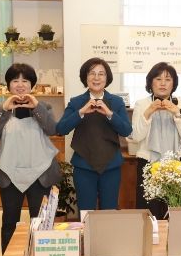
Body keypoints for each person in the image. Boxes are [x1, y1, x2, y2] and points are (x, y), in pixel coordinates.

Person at [0, 63, 61, 254]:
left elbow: (52, 129)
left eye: (25, 81)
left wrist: (36, 106)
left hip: (41, 175)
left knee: (41, 222)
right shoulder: (0, 107)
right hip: (9, 175)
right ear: (8, 85)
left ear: (32, 85)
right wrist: (5, 109)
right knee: (9, 221)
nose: (20, 85)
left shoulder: (44, 107)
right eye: (15, 80)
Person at [56, 58, 131, 212]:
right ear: (85, 77)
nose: (96, 78)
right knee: (85, 212)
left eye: (101, 74)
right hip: (83, 166)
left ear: (107, 78)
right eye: (92, 73)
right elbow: (61, 129)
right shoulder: (76, 102)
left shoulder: (116, 102)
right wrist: (81, 112)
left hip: (111, 166)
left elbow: (126, 131)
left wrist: (109, 113)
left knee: (109, 212)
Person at [129, 62, 181, 219]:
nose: (163, 83)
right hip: (148, 163)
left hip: (175, 164)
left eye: (168, 79)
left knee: (173, 211)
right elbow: (136, 136)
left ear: (174, 84)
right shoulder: (142, 104)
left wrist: (177, 112)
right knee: (148, 211)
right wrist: (148, 112)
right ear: (151, 82)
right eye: (158, 79)